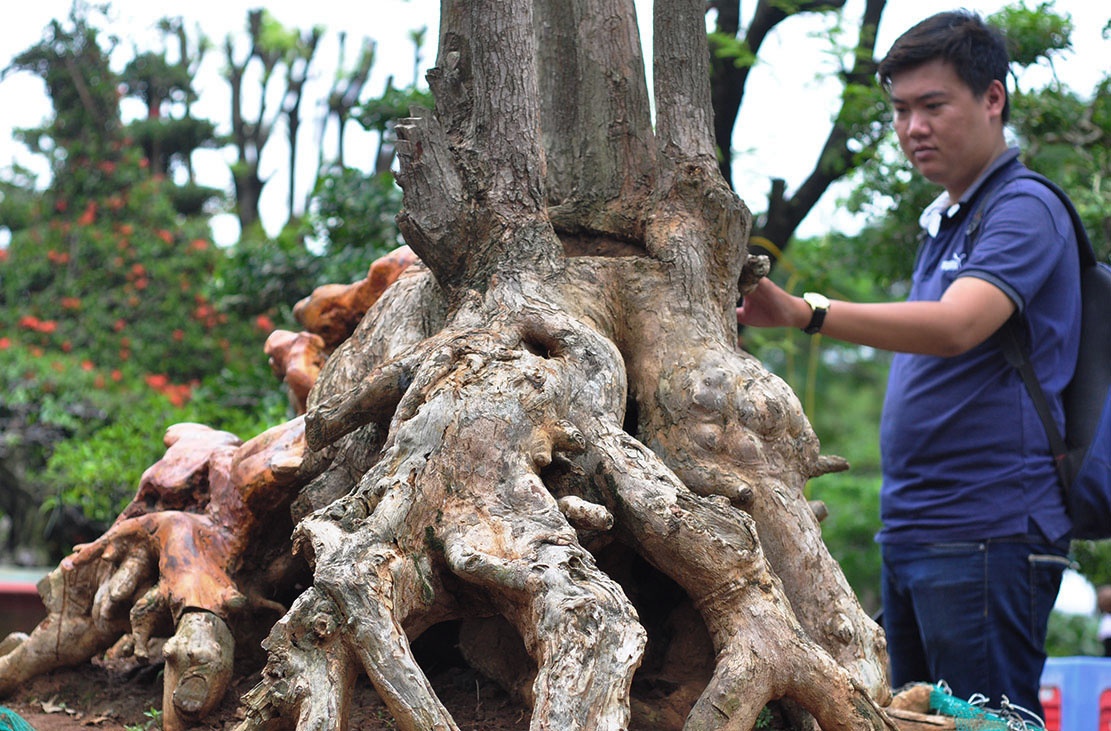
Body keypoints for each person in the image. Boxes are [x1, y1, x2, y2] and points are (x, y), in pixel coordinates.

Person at [737, 9, 1081, 716]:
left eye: (932, 105)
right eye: (899, 110)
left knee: (985, 720)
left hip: (987, 529)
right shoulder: (949, 221)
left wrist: (807, 312)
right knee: (908, 715)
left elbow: (957, 326)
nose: (911, 127)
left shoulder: (1022, 208)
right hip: (917, 527)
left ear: (992, 98)